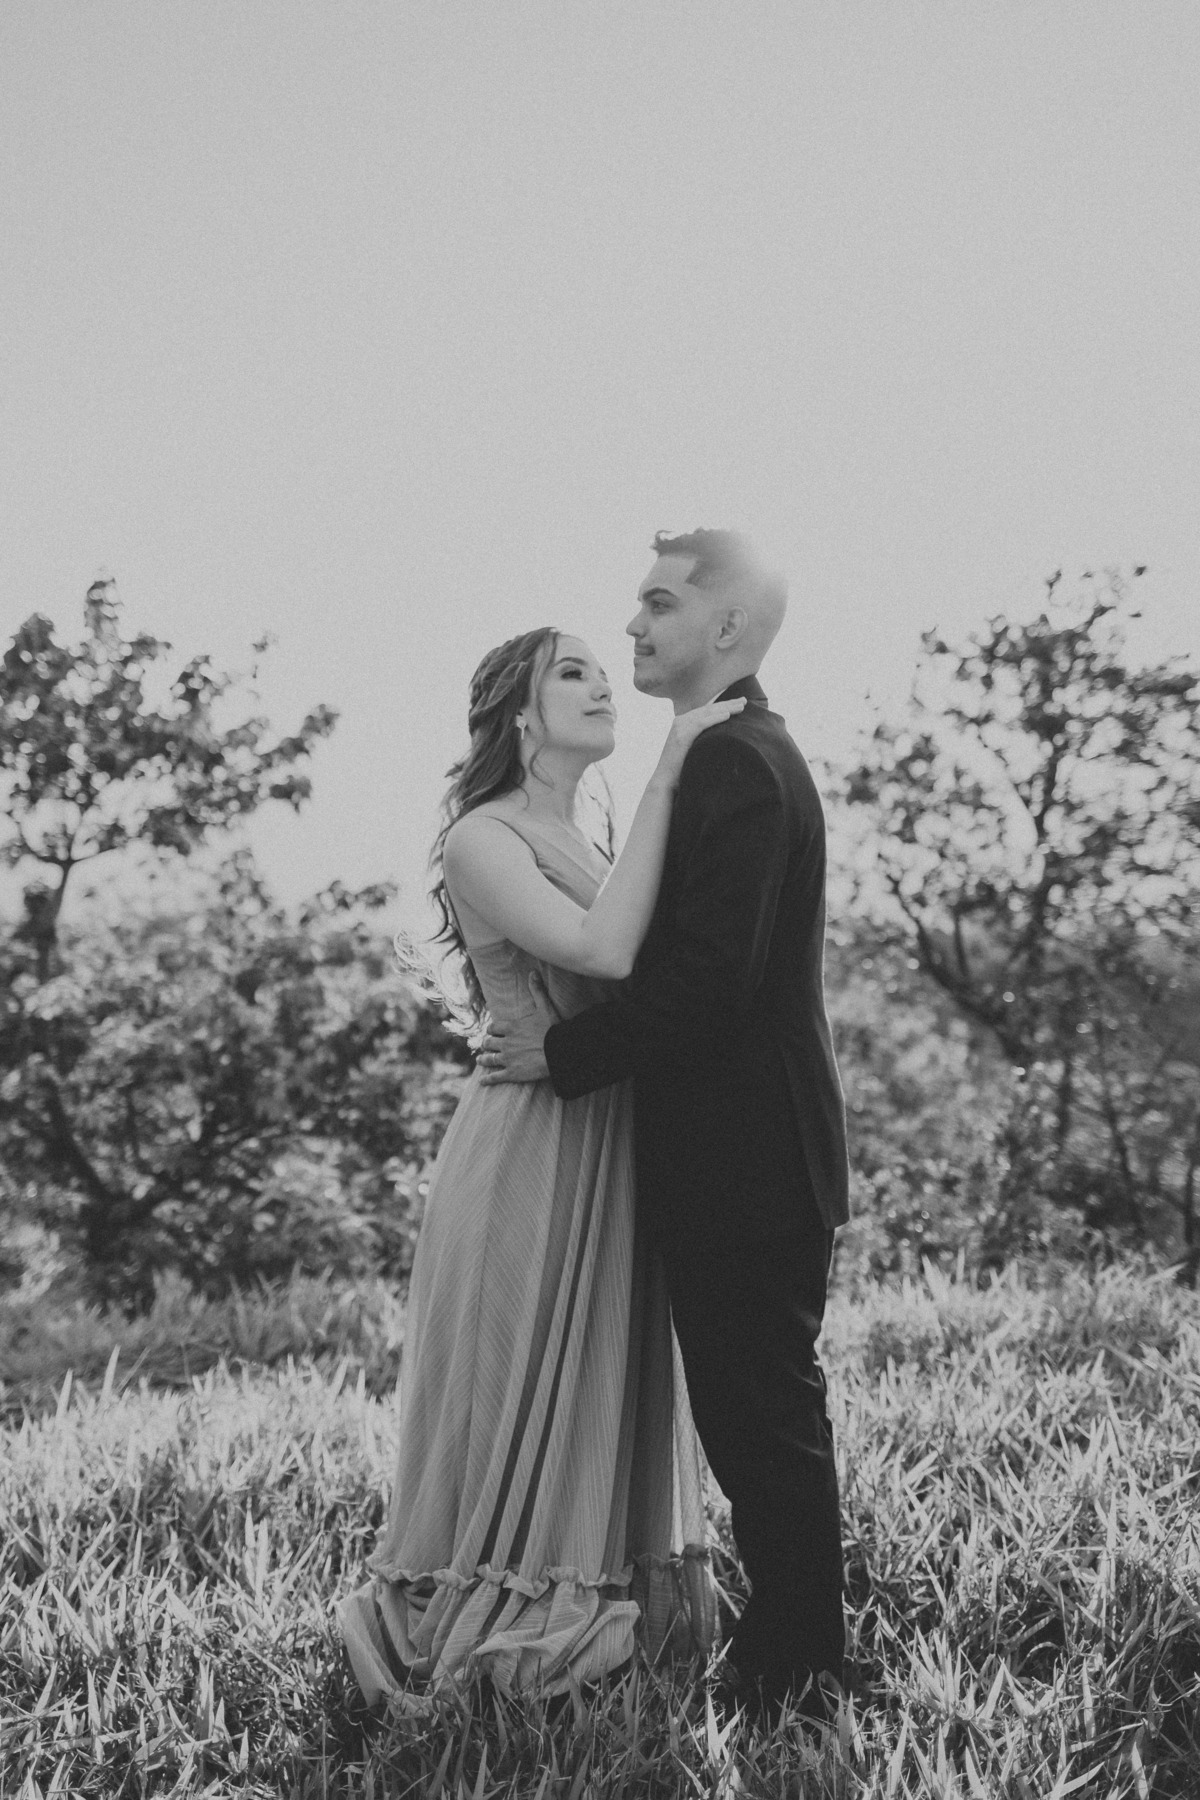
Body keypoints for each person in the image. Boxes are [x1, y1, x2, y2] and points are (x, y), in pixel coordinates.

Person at [480, 531, 851, 1726]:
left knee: (762, 1421)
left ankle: (796, 1671)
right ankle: (790, 1651)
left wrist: (567, 1052)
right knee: (756, 1416)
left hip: (749, 1155)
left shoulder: (738, 760)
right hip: (733, 1152)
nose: (632, 627)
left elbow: (710, 984)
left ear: (728, 630)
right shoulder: (721, 753)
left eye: (656, 605)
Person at [336, 625, 740, 1704]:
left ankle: (596, 1584)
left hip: (611, 1136)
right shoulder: (486, 836)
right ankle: (496, 1598)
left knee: (599, 1362)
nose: (605, 685)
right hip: (527, 1139)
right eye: (574, 673)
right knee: (514, 1370)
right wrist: (669, 768)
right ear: (519, 712)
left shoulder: (590, 834)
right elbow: (604, 956)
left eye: (607, 672)